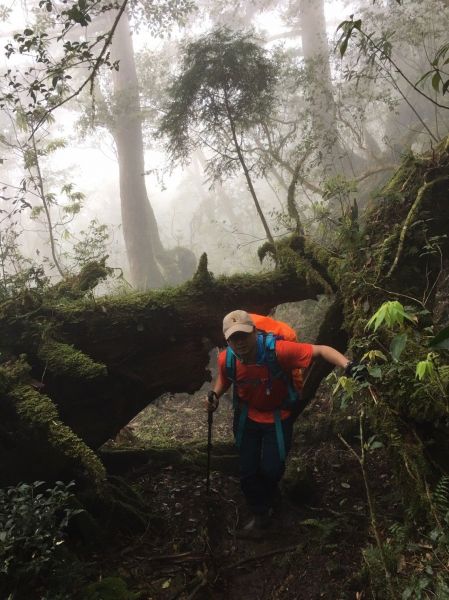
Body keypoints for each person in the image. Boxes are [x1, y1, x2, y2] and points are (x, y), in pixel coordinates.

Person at [205, 309, 357, 538]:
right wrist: (215, 396)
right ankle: (260, 516)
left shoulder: (279, 351)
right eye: (234, 338)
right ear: (227, 340)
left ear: (254, 332)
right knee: (247, 470)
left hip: (277, 418)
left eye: (244, 335)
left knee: (272, 468)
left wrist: (348, 366)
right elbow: (225, 380)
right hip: (247, 417)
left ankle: (269, 495)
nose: (241, 342)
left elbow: (322, 350)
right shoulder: (226, 359)